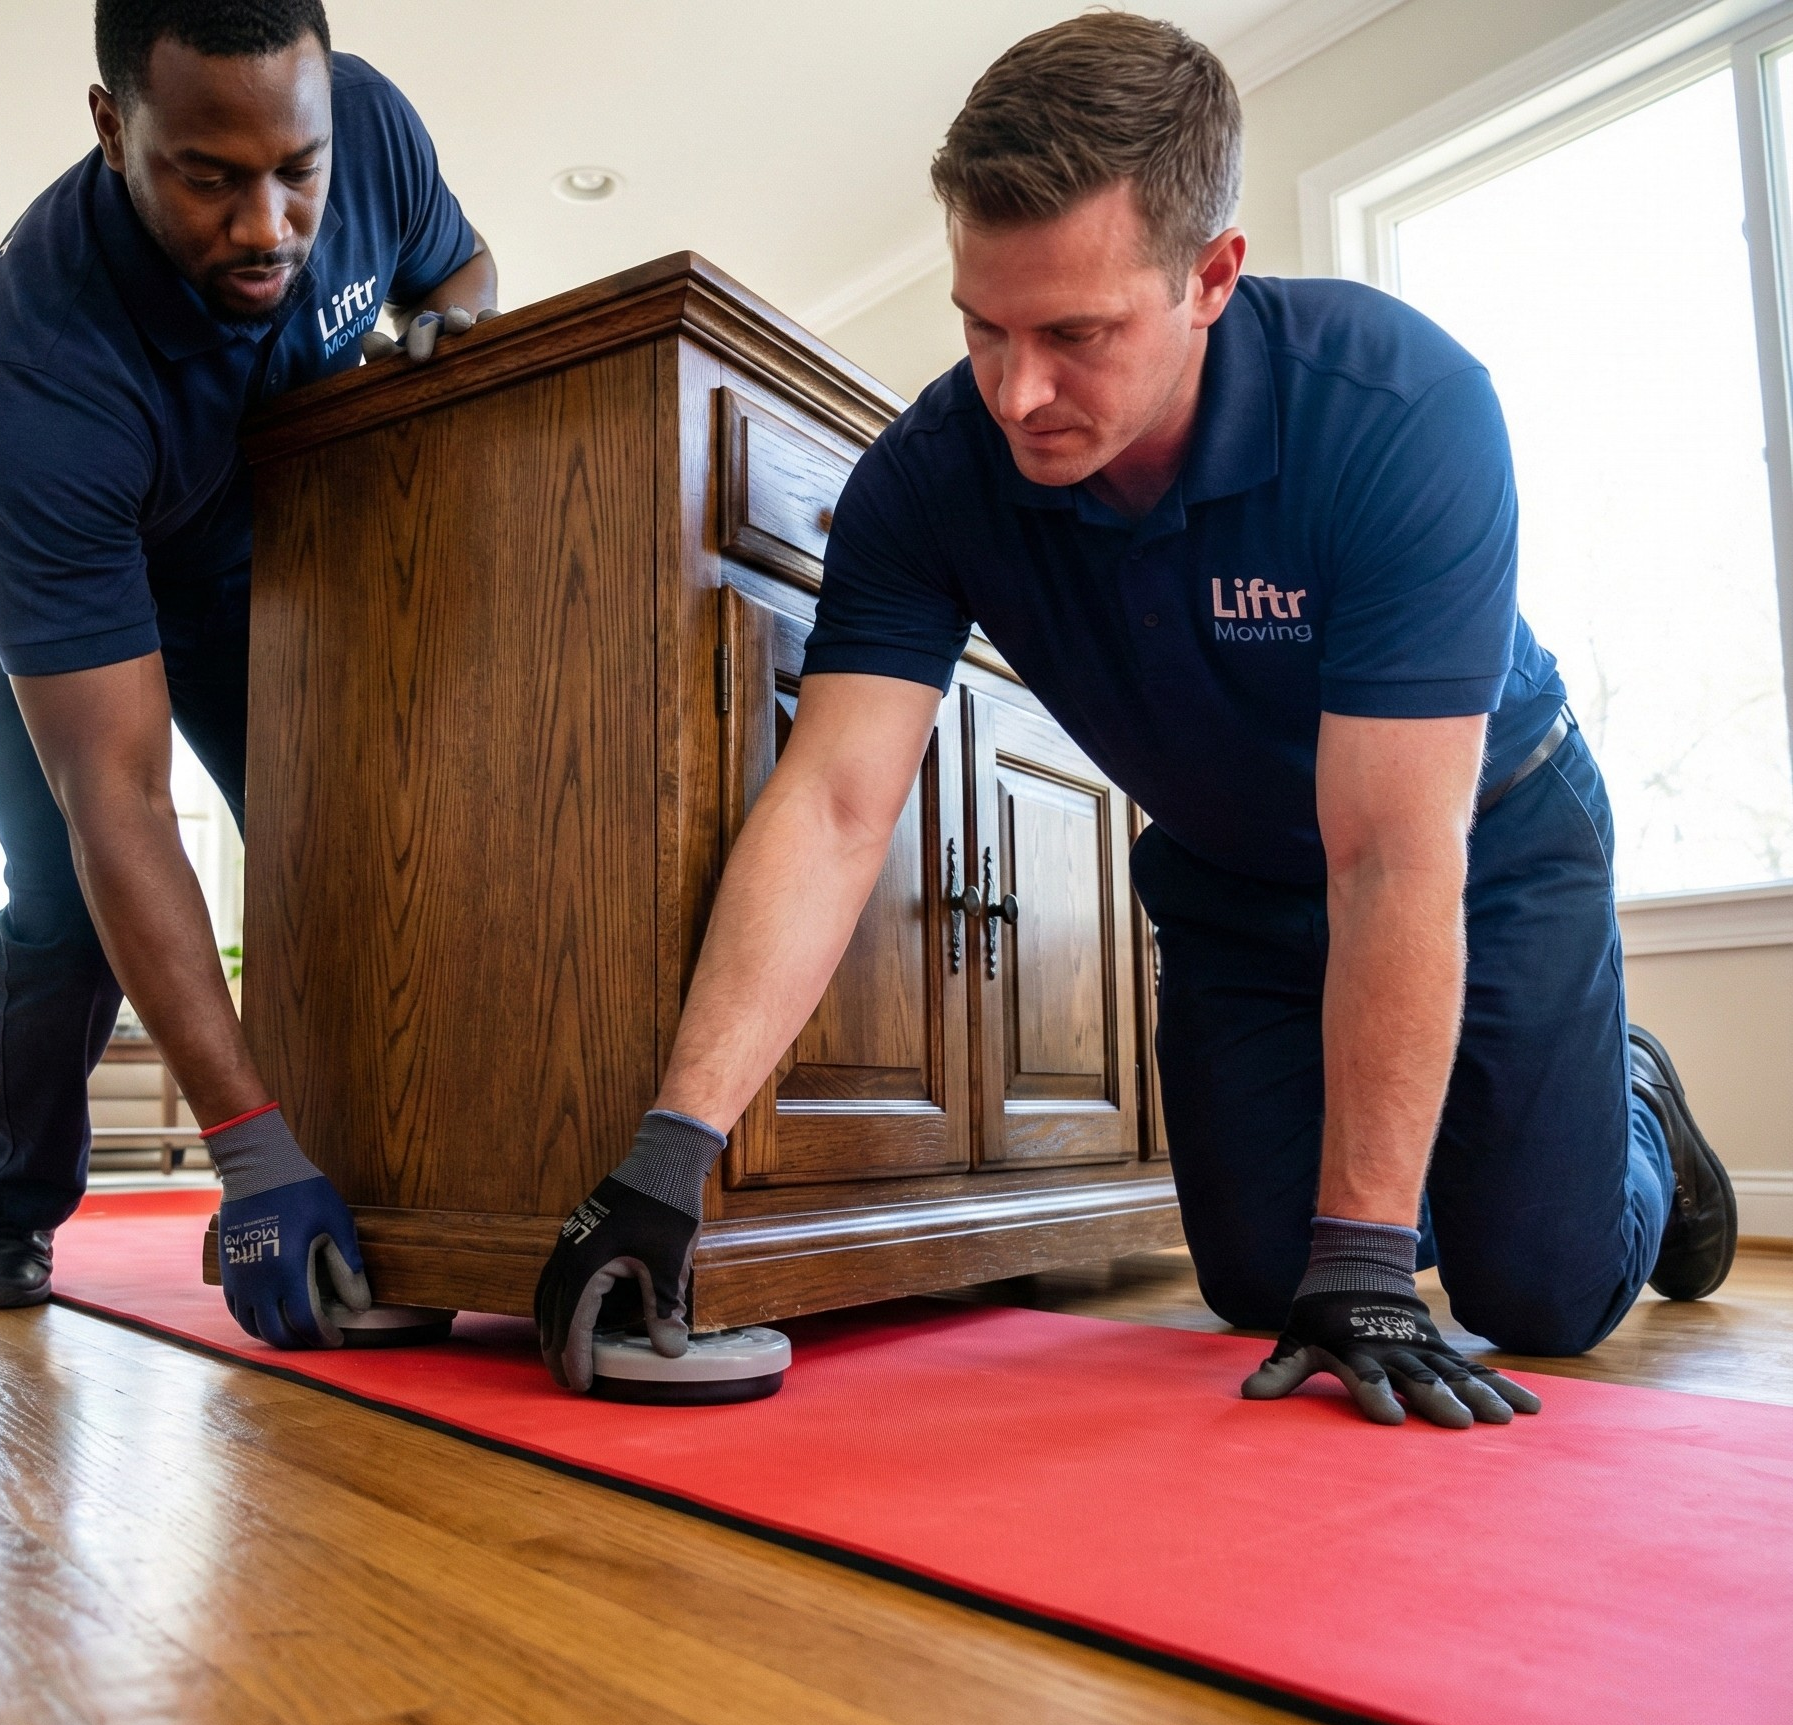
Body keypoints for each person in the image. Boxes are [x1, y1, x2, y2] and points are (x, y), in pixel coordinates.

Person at [533, 12, 1737, 1426]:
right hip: (1234, 879)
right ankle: (1414, 1191)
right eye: (982, 326)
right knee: (1254, 1282)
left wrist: (1362, 1265)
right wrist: (667, 1160)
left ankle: (1637, 1109)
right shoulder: (930, 479)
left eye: (1077, 333)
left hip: (1479, 837)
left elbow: (1392, 860)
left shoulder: (1399, 410)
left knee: (1539, 1296)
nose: (1018, 390)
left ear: (1210, 276)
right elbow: (838, 805)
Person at [0, 0, 495, 1340]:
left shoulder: (373, 127)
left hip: (251, 550)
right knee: (67, 906)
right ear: (111, 127)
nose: (265, 226)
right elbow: (117, 796)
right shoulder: (36, 353)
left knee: (331, 850)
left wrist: (446, 350)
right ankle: (13, 1209)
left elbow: (461, 268)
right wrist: (243, 1153)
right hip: (61, 562)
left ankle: (379, 1185)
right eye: (207, 177)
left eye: (295, 174)